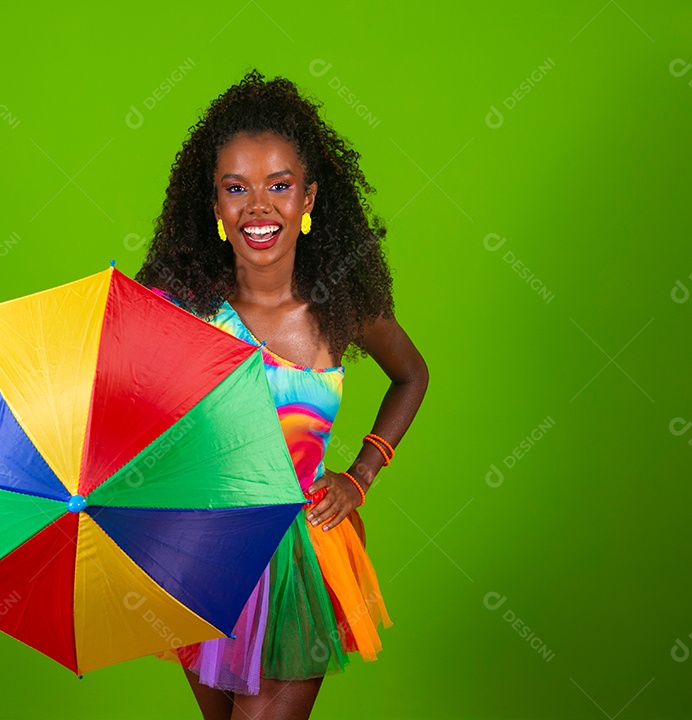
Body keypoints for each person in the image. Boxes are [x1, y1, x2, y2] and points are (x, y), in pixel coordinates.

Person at [135, 69, 428, 720]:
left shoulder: (342, 307)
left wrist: (362, 472)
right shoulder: (181, 309)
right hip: (202, 552)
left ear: (310, 198)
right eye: (236, 188)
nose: (258, 207)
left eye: (280, 186)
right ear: (213, 204)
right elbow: (128, 415)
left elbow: (413, 375)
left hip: (299, 560)